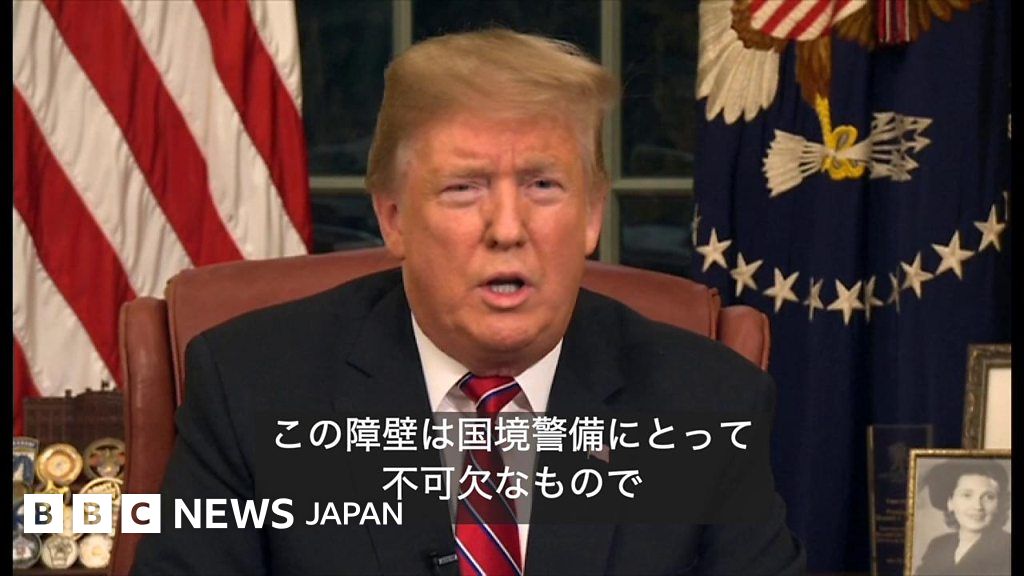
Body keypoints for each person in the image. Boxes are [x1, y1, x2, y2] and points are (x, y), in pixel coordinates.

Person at [133, 29, 805, 575]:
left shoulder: (707, 404)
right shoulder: (253, 387)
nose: (507, 229)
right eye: (463, 188)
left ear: (593, 215)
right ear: (394, 218)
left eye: (543, 185)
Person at [915, 460, 1011, 576]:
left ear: (999, 504)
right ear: (950, 502)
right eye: (967, 495)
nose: (977, 506)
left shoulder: (1007, 548)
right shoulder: (938, 546)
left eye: (988, 497)